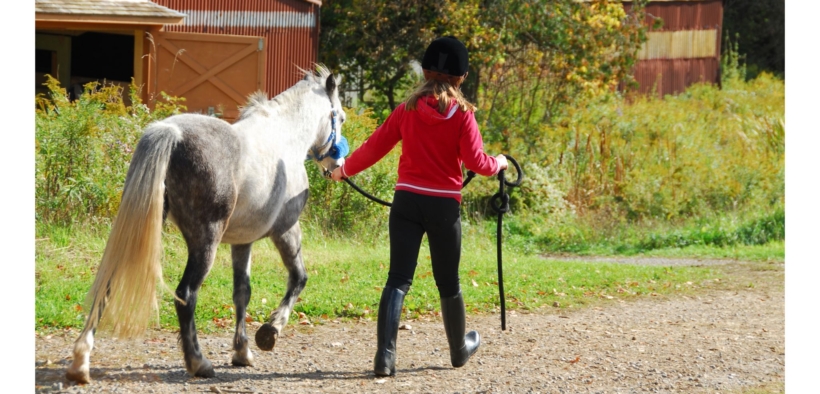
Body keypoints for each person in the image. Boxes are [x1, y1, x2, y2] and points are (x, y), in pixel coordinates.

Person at [330, 36, 508, 376]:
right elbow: (477, 163)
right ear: (462, 77)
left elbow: (374, 146)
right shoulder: (463, 116)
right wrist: (498, 162)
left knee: (397, 279)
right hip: (444, 207)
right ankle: (458, 350)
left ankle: (385, 357)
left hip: (406, 202)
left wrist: (344, 170)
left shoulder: (407, 109)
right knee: (449, 282)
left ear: (425, 71)